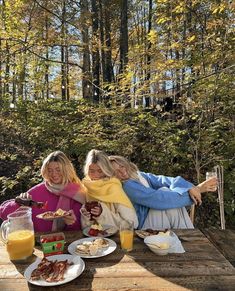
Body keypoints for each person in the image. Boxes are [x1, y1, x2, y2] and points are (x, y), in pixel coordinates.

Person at [109, 155, 217, 230]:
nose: (122, 171)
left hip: (155, 218)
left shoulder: (138, 175)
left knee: (169, 197)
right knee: (166, 197)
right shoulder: (126, 186)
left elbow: (163, 180)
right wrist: (198, 189)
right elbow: (158, 199)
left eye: (122, 166)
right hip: (143, 226)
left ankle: (187, 236)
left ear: (126, 164)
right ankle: (189, 236)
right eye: (116, 171)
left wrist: (189, 187)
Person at [0, 151, 87, 232]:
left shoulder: (77, 193)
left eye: (58, 169)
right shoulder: (38, 190)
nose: (53, 174)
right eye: (50, 170)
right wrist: (18, 203)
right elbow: (3, 213)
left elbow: (78, 229)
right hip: (37, 243)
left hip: (65, 243)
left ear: (66, 170)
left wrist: (71, 222)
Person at [80, 149, 138, 229]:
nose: (95, 175)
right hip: (92, 238)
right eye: (91, 171)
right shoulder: (85, 186)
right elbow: (86, 228)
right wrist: (86, 217)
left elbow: (132, 223)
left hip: (116, 239)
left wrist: (103, 214)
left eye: (100, 171)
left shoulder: (113, 187)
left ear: (106, 170)